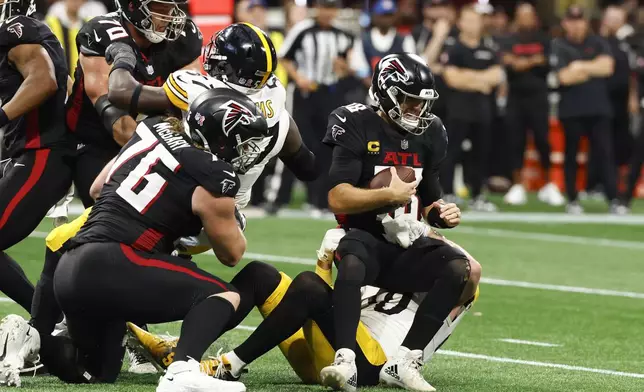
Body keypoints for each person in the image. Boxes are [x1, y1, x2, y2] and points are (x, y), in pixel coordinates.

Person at [0, 89, 267, 391]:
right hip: (116, 262)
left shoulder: (153, 128)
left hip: (72, 263)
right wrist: (226, 221)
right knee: (223, 295)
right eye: (243, 141)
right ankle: (182, 371)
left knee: (93, 370)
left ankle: (28, 340)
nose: (247, 151)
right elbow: (232, 254)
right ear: (220, 136)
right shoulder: (212, 174)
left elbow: (99, 188)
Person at [302, 53, 480, 392]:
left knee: (459, 269)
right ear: (386, 92)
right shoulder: (355, 121)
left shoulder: (432, 132)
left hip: (405, 241)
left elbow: (428, 202)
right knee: (352, 260)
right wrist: (387, 197)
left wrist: (440, 214)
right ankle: (345, 359)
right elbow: (337, 197)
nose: (417, 110)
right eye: (410, 101)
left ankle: (405, 360)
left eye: (422, 103)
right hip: (363, 236)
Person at [125, 227, 480, 392]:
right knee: (260, 274)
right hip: (335, 348)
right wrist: (326, 259)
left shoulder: (449, 286)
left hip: (370, 364)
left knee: (310, 286)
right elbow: (330, 299)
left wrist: (435, 238)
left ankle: (226, 367)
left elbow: (470, 270)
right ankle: (185, 353)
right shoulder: (386, 265)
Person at [105, 23, 319, 211]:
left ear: (228, 67)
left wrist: (123, 54)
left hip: (180, 201)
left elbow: (120, 92)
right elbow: (308, 168)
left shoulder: (199, 90)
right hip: (231, 212)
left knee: (154, 125)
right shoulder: (278, 106)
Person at [66, 0, 202, 207]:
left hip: (155, 138)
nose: (169, 16)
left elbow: (187, 104)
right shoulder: (101, 34)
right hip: (95, 141)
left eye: (171, 8)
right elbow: (120, 126)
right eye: (159, 7)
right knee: (108, 215)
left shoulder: (184, 36)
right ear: (133, 6)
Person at [0, 0, 73, 314]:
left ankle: (47, 320)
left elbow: (44, 81)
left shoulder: (18, 31)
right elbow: (69, 85)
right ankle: (47, 318)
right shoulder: (32, 32)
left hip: (42, 153)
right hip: (37, 150)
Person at [271, 0, 354, 216]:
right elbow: (284, 57)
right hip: (305, 94)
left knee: (328, 146)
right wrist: (299, 78)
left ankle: (321, 200)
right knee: (297, 143)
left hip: (329, 94)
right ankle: (280, 199)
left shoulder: (342, 35)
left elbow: (348, 67)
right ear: (317, 8)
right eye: (325, 7)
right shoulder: (303, 30)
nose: (328, 12)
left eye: (332, 8)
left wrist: (342, 67)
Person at [550, 5, 624, 214]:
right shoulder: (559, 45)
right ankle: (572, 199)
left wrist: (579, 67)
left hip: (599, 108)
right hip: (571, 109)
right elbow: (563, 77)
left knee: (605, 154)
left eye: (579, 20)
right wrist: (592, 67)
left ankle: (614, 199)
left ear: (585, 22)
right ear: (565, 23)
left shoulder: (598, 42)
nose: (576, 25)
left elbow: (607, 68)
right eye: (572, 20)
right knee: (571, 154)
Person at [440, 5, 503, 211]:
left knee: (481, 153)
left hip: (483, 111)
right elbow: (452, 78)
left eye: (475, 20)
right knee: (452, 152)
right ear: (460, 23)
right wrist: (480, 81)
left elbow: (497, 76)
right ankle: (447, 192)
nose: (472, 25)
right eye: (468, 20)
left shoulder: (489, 49)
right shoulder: (454, 49)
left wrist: (467, 77)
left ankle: (477, 194)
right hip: (458, 109)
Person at [502, 2, 565, 206]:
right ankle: (518, 185)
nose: (525, 18)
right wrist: (532, 61)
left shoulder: (544, 39)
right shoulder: (508, 39)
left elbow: (545, 61)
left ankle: (548, 185)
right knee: (514, 141)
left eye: (529, 14)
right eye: (521, 14)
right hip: (515, 97)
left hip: (538, 97)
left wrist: (522, 62)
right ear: (516, 18)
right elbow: (507, 61)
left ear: (534, 17)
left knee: (542, 140)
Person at [350, 0, 416, 88]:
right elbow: (357, 66)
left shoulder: (404, 38)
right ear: (375, 16)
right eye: (383, 15)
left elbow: (411, 67)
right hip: (369, 89)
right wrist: (375, 85)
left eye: (389, 15)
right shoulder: (363, 39)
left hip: (398, 90)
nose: (386, 19)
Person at [45, 0, 86, 79]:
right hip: (59, 81)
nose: (76, 2)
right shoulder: (51, 24)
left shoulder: (88, 25)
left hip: (81, 83)